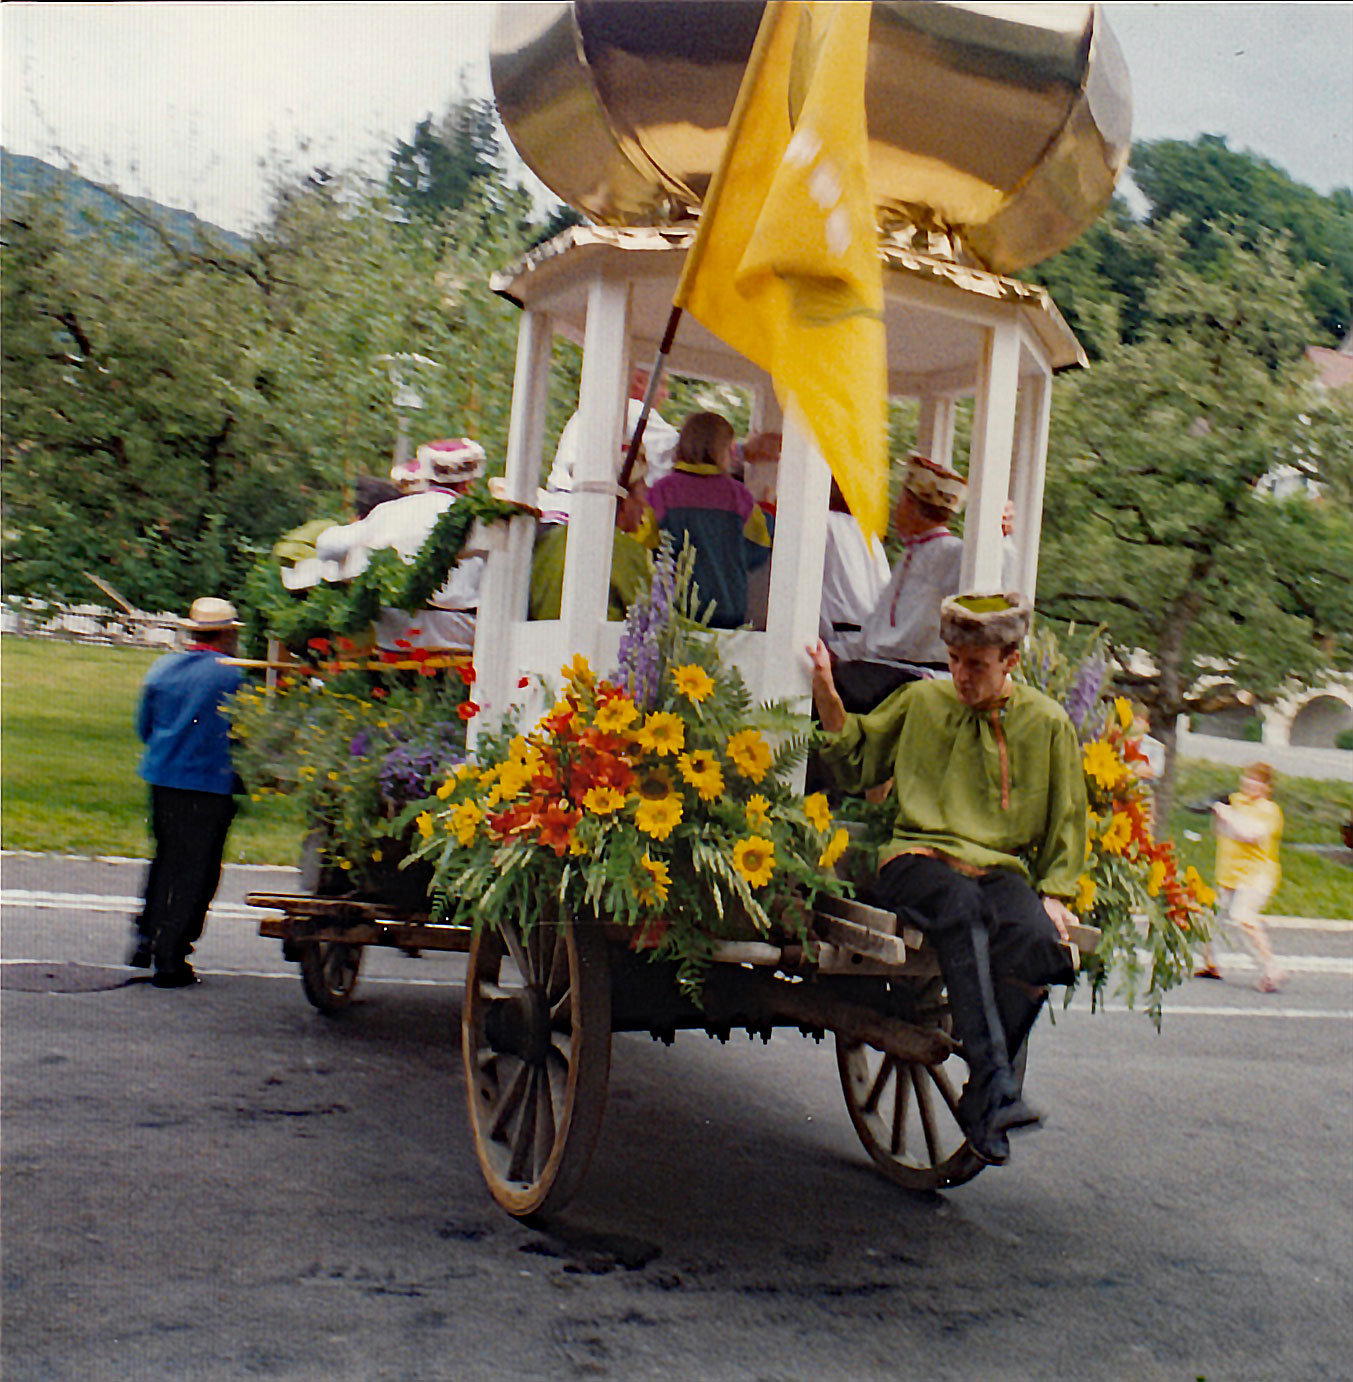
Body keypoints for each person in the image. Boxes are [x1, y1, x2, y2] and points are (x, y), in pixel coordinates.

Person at [808, 590, 1087, 1165]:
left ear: (1011, 659)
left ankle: (985, 1095)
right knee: (960, 908)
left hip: (998, 868)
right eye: (954, 659)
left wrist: (1056, 894)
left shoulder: (1048, 723)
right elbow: (856, 760)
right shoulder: (921, 701)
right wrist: (829, 695)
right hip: (917, 859)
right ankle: (997, 1082)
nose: (960, 674)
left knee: (1039, 944)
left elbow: (1066, 816)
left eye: (976, 664)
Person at [827, 454, 1012, 712]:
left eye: (902, 500)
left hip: (915, 678)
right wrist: (833, 653)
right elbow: (875, 636)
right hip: (884, 672)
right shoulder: (911, 556)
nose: (896, 509)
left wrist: (999, 537)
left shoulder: (953, 554)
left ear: (911, 505)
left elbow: (992, 583)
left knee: (834, 693)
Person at [127, 597, 245, 988]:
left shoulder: (162, 668)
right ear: (228, 634)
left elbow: (144, 726)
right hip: (209, 782)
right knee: (197, 871)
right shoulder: (235, 676)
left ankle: (146, 937)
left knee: (165, 858)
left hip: (163, 775)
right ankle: (172, 955)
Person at [315, 438, 486, 650]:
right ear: (469, 480)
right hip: (459, 634)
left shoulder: (388, 511)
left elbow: (327, 545)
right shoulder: (477, 515)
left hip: (393, 636)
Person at [645, 411, 771, 628]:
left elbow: (644, 546)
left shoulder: (660, 492)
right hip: (727, 611)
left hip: (673, 613)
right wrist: (769, 508)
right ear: (722, 450)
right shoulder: (738, 496)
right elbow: (758, 549)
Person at [1195, 762, 1286, 991]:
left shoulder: (1269, 810)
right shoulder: (1235, 800)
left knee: (1243, 917)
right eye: (1248, 778)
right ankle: (1210, 963)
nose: (1251, 784)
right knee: (1208, 915)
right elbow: (1220, 830)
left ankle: (1270, 968)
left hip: (1257, 874)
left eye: (1258, 781)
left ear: (1266, 788)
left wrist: (1227, 814)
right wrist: (1216, 811)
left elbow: (1250, 835)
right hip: (1229, 871)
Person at [544, 368, 680, 517]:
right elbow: (681, 454)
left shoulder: (590, 411)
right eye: (663, 384)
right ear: (639, 381)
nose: (665, 394)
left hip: (558, 508)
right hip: (583, 515)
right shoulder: (630, 410)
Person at [530, 470, 654, 621]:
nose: (646, 503)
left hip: (540, 641)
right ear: (624, 499)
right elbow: (651, 619)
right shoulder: (627, 551)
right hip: (603, 643)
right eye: (643, 494)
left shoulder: (547, 543)